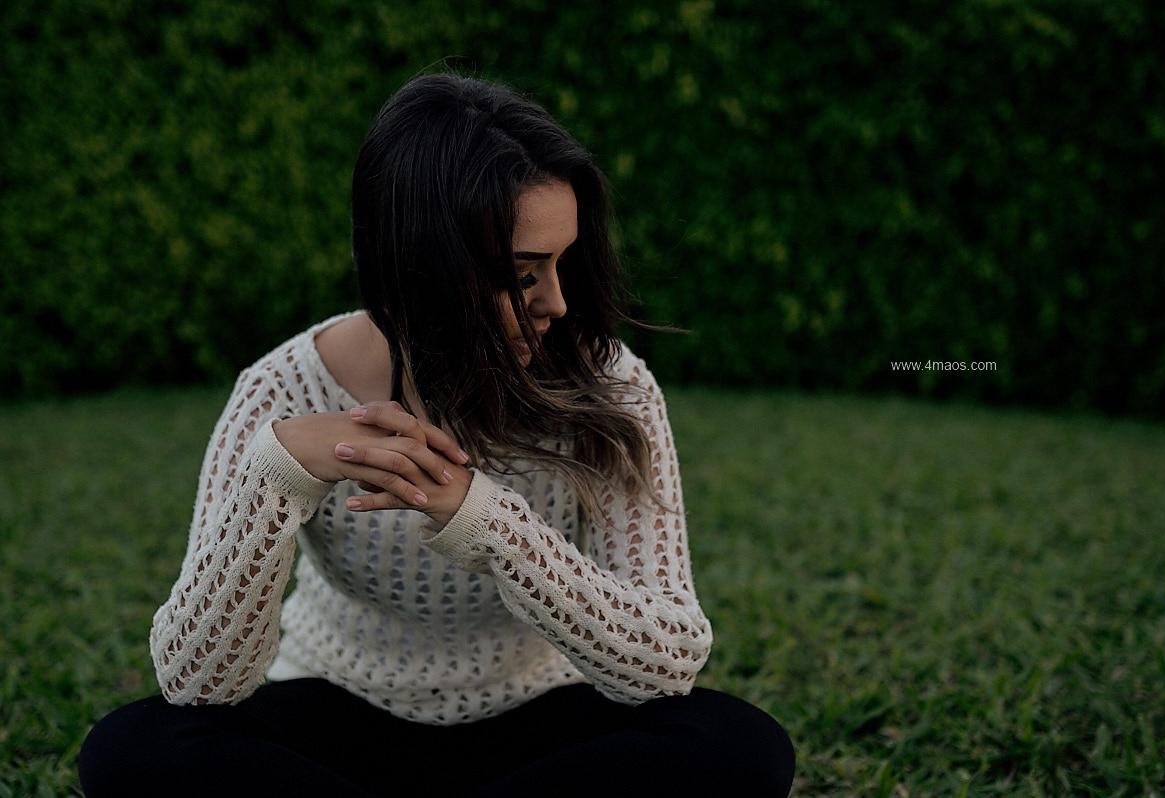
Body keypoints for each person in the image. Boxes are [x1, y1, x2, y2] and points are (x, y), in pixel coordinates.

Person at [78, 72, 795, 797]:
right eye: (524, 274)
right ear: (420, 268)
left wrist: (491, 526)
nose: (557, 300)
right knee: (133, 748)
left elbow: (666, 662)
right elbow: (199, 683)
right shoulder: (280, 391)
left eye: (563, 262)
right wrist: (277, 476)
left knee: (737, 745)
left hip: (541, 726)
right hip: (339, 719)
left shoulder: (610, 384)